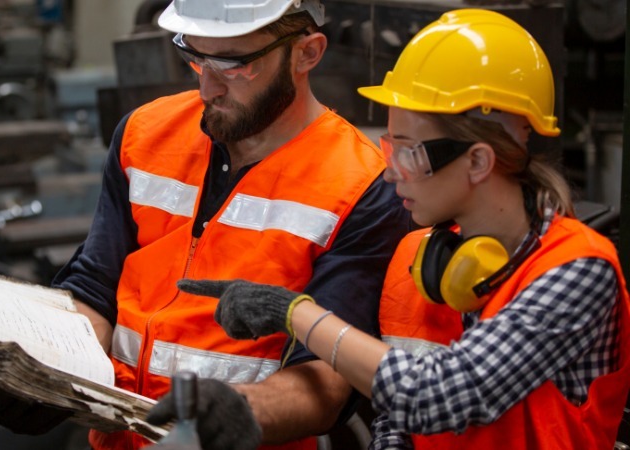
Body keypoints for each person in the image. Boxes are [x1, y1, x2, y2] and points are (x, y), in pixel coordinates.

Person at [174, 8, 630, 449]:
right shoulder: (423, 257)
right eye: (390, 145)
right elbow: (395, 419)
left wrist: (298, 314)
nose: (391, 173)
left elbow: (439, 396)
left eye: (409, 151)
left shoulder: (577, 271)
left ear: (477, 160)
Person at [0, 0, 411, 449]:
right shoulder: (145, 134)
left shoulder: (362, 185)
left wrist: (238, 411)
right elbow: (97, 286)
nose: (208, 87)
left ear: (307, 53)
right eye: (195, 57)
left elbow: (327, 380)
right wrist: (54, 369)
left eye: (233, 65)